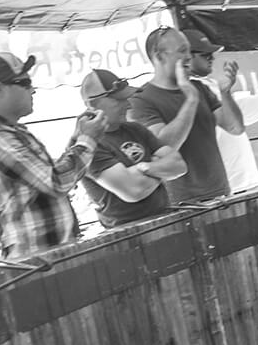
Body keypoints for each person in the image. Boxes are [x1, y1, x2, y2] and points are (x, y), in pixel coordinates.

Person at [0, 53, 105, 259]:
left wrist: (78, 139)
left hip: (48, 256)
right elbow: (56, 182)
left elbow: (49, 176)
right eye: (23, 82)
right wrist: (87, 140)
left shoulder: (8, 132)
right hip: (36, 260)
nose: (32, 89)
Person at [128, 26, 242, 203]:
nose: (189, 56)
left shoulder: (199, 88)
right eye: (182, 51)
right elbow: (163, 148)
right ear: (159, 57)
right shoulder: (141, 101)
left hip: (221, 194)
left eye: (188, 50)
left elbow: (235, 128)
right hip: (181, 204)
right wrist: (190, 100)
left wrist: (225, 92)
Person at [78, 69, 187, 228]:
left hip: (165, 221)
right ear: (92, 104)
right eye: (119, 100)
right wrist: (160, 167)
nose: (128, 105)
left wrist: (144, 168)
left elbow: (179, 165)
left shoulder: (136, 129)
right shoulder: (88, 145)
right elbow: (133, 191)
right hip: (127, 234)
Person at [183, 28, 258, 190]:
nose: (212, 58)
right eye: (205, 54)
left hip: (237, 183)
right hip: (230, 187)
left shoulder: (207, 85)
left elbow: (237, 123)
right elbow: (245, 114)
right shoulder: (196, 91)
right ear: (186, 57)